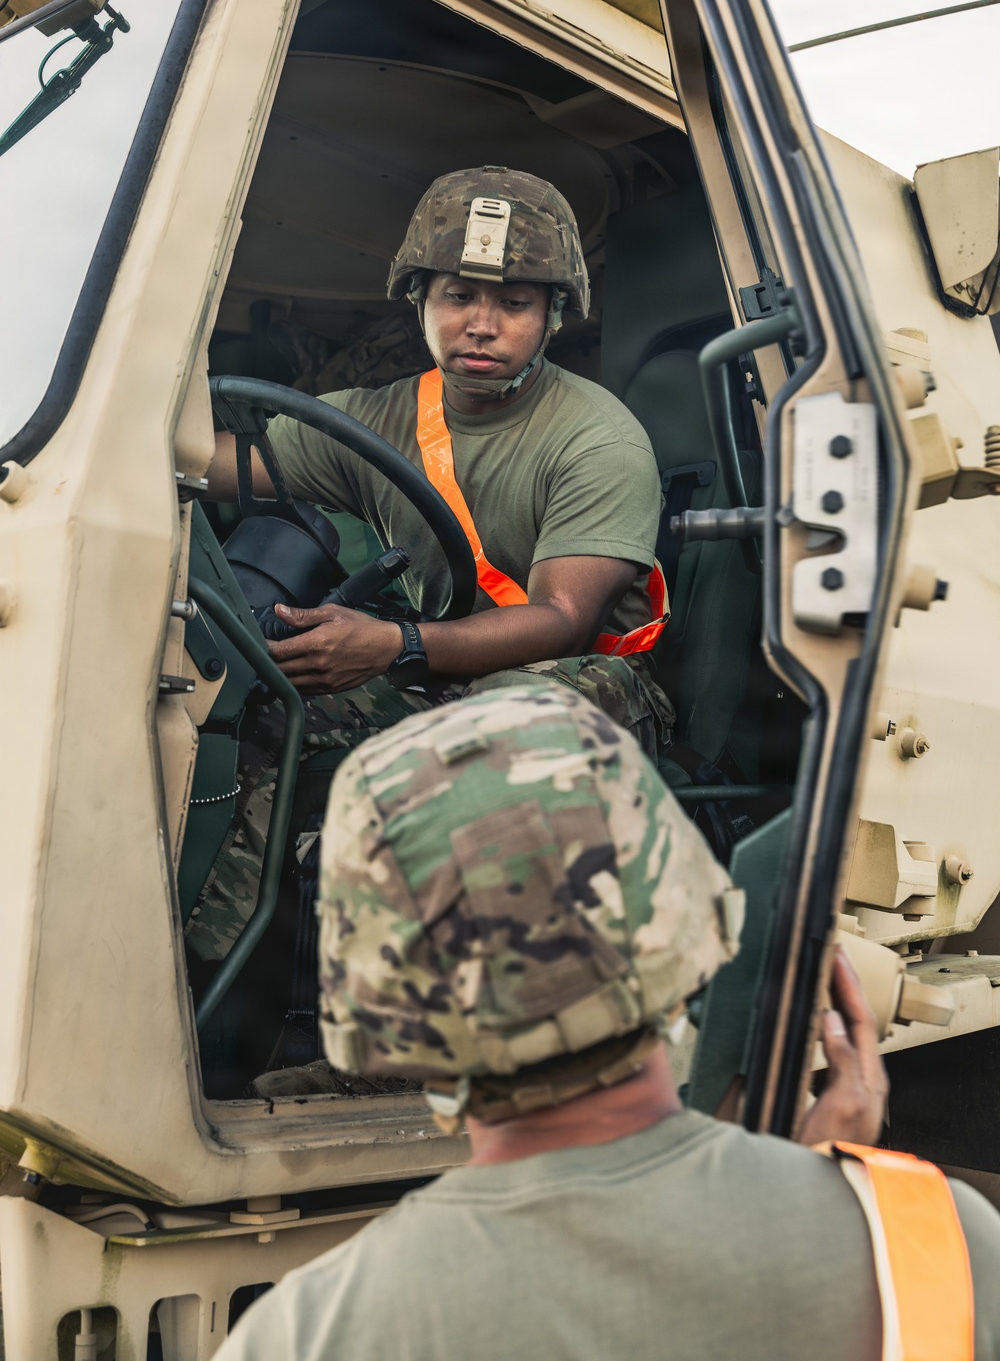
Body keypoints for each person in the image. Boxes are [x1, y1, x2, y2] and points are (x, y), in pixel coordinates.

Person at [215, 684, 1000, 1361]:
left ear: (379, 992)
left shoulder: (303, 1331)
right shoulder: (931, 1244)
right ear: (680, 902)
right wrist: (824, 1200)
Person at [191, 167, 673, 965]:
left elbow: (563, 619)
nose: (480, 325)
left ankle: (438, 1053)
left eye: (514, 303)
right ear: (420, 301)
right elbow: (221, 465)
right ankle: (212, 982)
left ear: (552, 317)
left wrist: (395, 646)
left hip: (582, 683)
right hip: (438, 667)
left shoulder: (600, 439)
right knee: (264, 706)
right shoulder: (381, 419)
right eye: (458, 297)